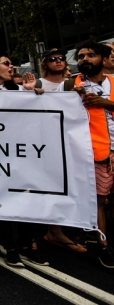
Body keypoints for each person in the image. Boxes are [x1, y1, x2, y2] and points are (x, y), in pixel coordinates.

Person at [0, 55, 47, 267]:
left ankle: (26, 244)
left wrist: (33, 93)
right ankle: (10, 248)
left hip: (20, 156)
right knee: (1, 201)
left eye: (10, 63)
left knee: (26, 200)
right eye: (6, 63)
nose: (11, 66)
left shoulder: (17, 91)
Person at [34, 50, 88, 253]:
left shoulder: (75, 83)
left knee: (76, 183)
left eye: (61, 59)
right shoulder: (38, 84)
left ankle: (75, 226)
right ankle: (54, 229)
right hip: (48, 142)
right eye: (52, 59)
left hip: (73, 140)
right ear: (45, 64)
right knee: (54, 185)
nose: (58, 61)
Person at [73, 40, 114, 268]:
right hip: (95, 153)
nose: (85, 59)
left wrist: (104, 102)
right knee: (98, 201)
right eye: (80, 56)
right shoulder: (72, 85)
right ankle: (103, 247)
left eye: (91, 55)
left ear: (104, 58)